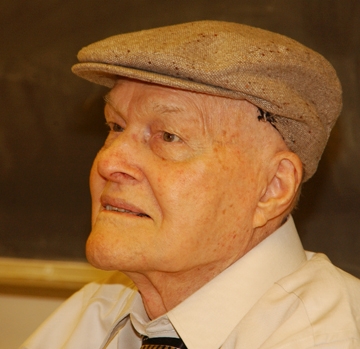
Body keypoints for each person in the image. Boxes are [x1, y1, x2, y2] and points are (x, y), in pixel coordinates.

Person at [21, 21, 360, 349]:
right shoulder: (92, 313)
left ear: (273, 187)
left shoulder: (326, 339)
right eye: (115, 126)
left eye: (169, 137)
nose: (108, 162)